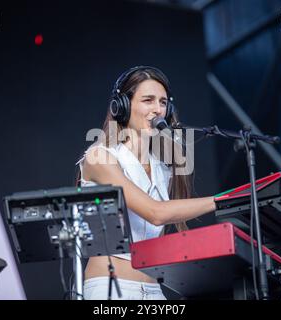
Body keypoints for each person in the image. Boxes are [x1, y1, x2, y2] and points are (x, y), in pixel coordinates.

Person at [76, 66, 217, 300]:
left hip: (153, 290)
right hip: (110, 289)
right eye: (148, 100)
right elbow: (155, 212)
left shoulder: (163, 167)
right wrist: (222, 201)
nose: (158, 110)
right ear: (121, 105)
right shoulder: (99, 156)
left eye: (163, 102)